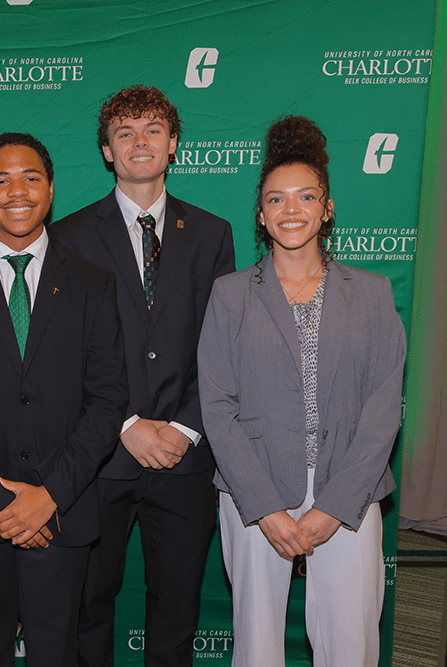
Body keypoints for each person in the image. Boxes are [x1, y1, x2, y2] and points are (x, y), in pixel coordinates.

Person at [197, 115, 405, 667]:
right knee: (257, 645)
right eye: (276, 200)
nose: (292, 210)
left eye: (306, 197)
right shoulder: (231, 294)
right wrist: (265, 508)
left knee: (350, 645)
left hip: (350, 494)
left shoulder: (374, 294)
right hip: (254, 492)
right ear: (261, 215)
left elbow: (383, 413)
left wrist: (335, 506)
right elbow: (217, 408)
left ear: (327, 207)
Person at [0, 132, 129, 667]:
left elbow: (107, 401)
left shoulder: (92, 283)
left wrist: (47, 496)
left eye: (31, 177)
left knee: (56, 654)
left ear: (51, 190)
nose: (18, 190)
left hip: (64, 510)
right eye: (1, 179)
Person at [51, 85, 235, 667]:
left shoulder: (212, 234)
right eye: (124, 133)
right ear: (107, 150)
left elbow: (224, 347)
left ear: (174, 143)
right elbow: (63, 349)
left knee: (176, 607)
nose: (139, 143)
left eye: (153, 130)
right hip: (100, 457)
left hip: (187, 459)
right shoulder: (71, 235)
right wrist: (125, 422)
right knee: (89, 604)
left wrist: (185, 427)